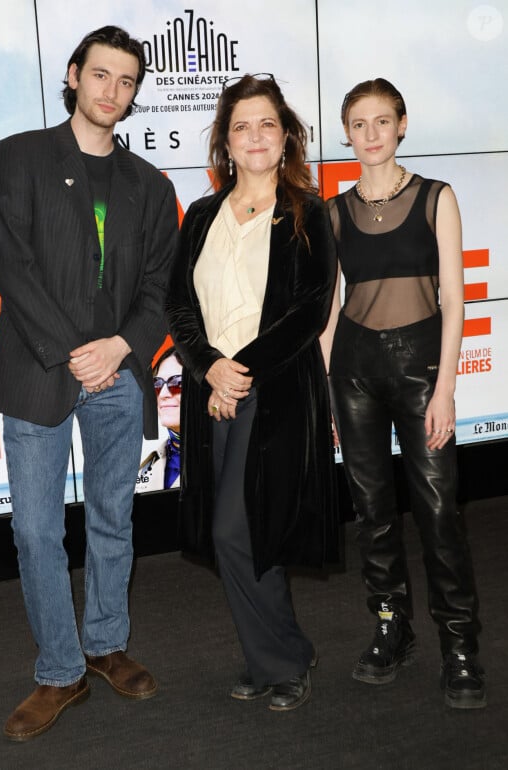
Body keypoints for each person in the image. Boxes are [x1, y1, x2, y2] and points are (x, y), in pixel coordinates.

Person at [0, 25, 178, 740]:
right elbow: (13, 267)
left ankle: (104, 644)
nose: (112, 92)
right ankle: (59, 672)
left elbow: (160, 288)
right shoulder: (23, 156)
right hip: (40, 367)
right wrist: (76, 353)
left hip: (120, 375)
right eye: (100, 76)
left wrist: (121, 347)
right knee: (37, 531)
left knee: (111, 520)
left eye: (126, 82)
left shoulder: (150, 186)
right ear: (73, 75)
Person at [166, 74, 339, 712]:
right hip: (210, 392)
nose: (256, 136)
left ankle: (285, 659)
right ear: (226, 142)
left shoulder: (307, 213)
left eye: (267, 123)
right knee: (229, 530)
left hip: (276, 392)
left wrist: (238, 370)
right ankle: (277, 652)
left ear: (286, 135)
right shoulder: (203, 213)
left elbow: (308, 310)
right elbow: (178, 303)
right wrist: (209, 367)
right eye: (242, 126)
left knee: (244, 528)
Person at [319, 78, 486, 709]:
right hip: (354, 375)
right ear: (347, 132)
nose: (370, 135)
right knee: (372, 514)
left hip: (422, 374)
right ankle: (393, 628)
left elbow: (454, 300)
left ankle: (461, 644)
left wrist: (445, 389)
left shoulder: (437, 198)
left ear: (402, 125)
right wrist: (334, 379)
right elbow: (328, 307)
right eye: (358, 124)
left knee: (441, 512)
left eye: (381, 122)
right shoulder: (333, 212)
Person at [137, 347, 183, 491]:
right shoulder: (145, 467)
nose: (163, 394)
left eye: (176, 383)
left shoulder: (227, 455)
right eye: (156, 384)